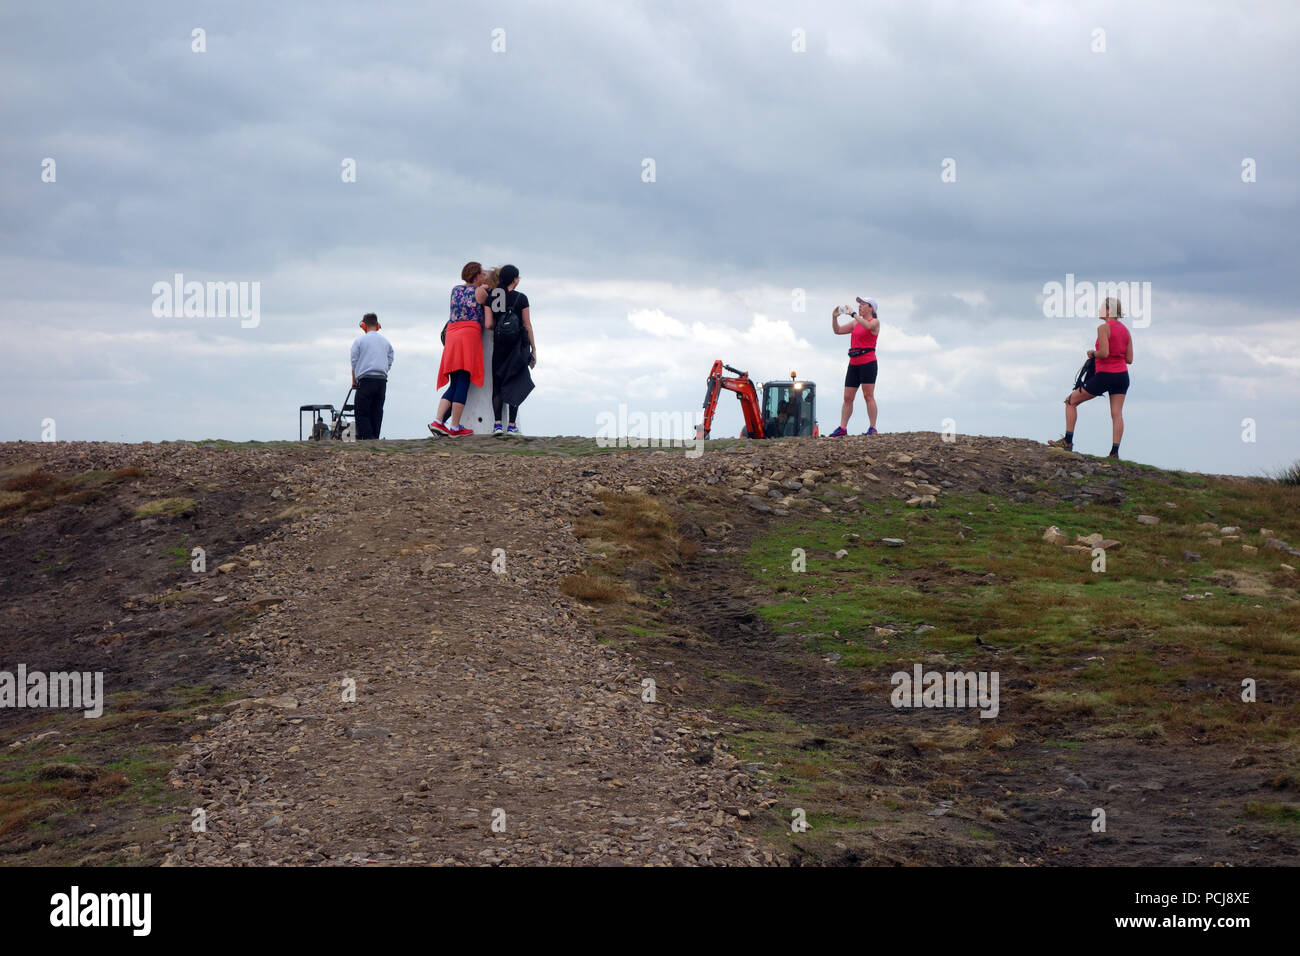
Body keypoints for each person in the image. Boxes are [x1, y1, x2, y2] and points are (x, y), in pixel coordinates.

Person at [1049, 297, 1133, 458]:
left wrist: (1092, 353)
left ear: (1109, 311)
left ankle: (1067, 441)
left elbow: (1104, 353)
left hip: (1105, 375)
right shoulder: (1126, 331)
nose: (1099, 309)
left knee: (1070, 401)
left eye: (1102, 307)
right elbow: (1129, 359)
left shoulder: (1103, 328)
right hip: (1122, 376)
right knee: (1117, 414)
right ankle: (1114, 452)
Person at [429, 262, 491, 437]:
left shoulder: (455, 290)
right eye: (482, 273)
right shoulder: (481, 292)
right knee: (463, 379)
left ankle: (438, 421)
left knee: (454, 382)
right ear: (477, 275)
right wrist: (486, 285)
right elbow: (487, 320)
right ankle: (455, 427)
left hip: (452, 335)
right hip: (468, 335)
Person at [485, 264, 536, 436]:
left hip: (499, 346)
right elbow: (527, 325)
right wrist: (534, 349)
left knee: (497, 385)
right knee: (516, 382)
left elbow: (489, 324)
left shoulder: (491, 297)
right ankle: (512, 425)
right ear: (515, 279)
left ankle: (497, 424)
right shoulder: (521, 298)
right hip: (517, 347)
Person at [828, 296, 880, 437]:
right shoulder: (855, 323)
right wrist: (834, 318)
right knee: (847, 397)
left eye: (863, 304)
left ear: (871, 308)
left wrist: (853, 314)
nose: (860, 306)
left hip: (868, 362)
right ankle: (843, 427)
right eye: (859, 305)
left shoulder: (874, 322)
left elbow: (868, 327)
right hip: (854, 363)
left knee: (868, 395)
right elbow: (837, 330)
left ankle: (873, 427)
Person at [349, 312, 393, 440]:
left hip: (366, 380)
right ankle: (375, 438)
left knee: (361, 412)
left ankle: (368, 439)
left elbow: (354, 362)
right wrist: (385, 369)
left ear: (363, 325)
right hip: (382, 381)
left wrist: (354, 380)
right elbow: (390, 358)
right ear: (378, 325)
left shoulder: (359, 341)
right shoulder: (386, 341)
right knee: (377, 411)